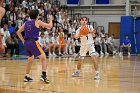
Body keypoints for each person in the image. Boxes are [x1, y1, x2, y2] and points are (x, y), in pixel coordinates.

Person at [16, 9, 53, 83]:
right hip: (33, 42)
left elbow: (18, 32)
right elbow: (49, 26)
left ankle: (27, 76)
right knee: (44, 58)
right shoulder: (38, 21)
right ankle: (43, 76)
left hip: (26, 43)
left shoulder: (26, 23)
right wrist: (51, 20)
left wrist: (23, 40)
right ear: (37, 16)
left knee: (30, 59)